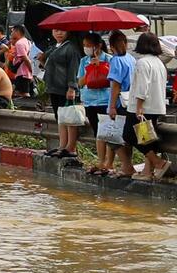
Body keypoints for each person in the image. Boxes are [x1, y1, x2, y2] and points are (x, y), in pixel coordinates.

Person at [128, 31, 169, 181]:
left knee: (130, 134)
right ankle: (147, 170)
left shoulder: (143, 62)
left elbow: (142, 87)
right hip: (156, 106)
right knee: (147, 138)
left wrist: (138, 107)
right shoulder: (159, 63)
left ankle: (158, 162)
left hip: (142, 107)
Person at [42, 27, 85, 162]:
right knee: (61, 117)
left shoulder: (71, 48)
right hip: (54, 87)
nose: (59, 33)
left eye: (62, 30)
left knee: (70, 118)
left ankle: (70, 147)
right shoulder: (54, 47)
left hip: (65, 88)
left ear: (68, 32)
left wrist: (72, 87)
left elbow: (74, 68)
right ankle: (62, 145)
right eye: (56, 30)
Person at [76, 34, 116, 176]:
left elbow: (114, 81)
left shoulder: (110, 60)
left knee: (109, 132)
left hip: (106, 100)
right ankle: (101, 161)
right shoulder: (84, 61)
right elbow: (80, 83)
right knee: (98, 132)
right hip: (90, 101)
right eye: (84, 45)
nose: (86, 48)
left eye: (88, 45)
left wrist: (101, 68)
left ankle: (110, 163)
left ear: (98, 45)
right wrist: (90, 70)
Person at [105, 30, 140, 178]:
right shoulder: (131, 59)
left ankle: (127, 166)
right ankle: (128, 165)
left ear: (111, 46)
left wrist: (112, 106)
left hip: (120, 102)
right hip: (131, 101)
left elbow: (115, 85)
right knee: (127, 138)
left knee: (112, 136)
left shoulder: (115, 61)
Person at [7, 24, 36, 101]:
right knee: (23, 92)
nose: (11, 34)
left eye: (12, 31)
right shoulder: (28, 41)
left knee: (24, 93)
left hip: (22, 72)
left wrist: (31, 70)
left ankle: (27, 108)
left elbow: (25, 58)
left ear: (17, 31)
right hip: (26, 73)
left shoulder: (19, 43)